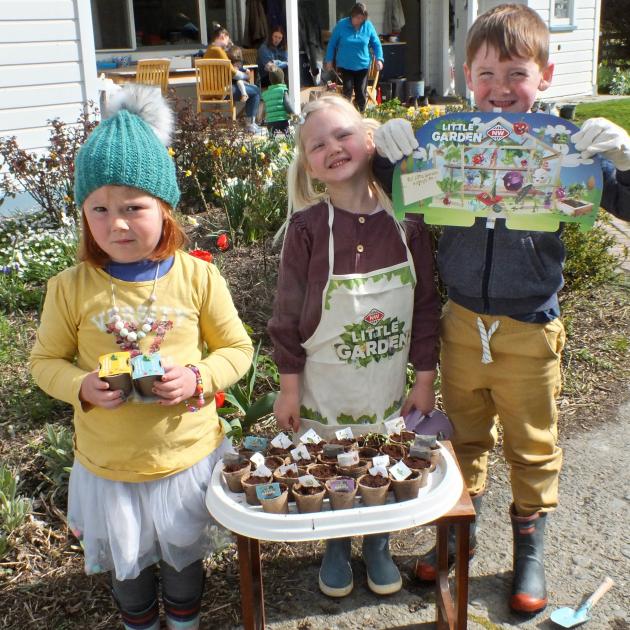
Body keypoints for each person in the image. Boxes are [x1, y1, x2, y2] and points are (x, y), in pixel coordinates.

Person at [372, 3, 630, 615]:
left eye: (516, 73)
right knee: (463, 439)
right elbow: (395, 182)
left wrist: (622, 159)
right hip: (462, 323)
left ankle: (530, 555)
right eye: (485, 74)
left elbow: (623, 200)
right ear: (467, 77)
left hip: (530, 327)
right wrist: (387, 146)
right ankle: (459, 534)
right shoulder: (448, 141)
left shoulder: (571, 145)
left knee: (531, 443)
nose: (500, 88)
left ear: (545, 73)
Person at [29, 85, 254, 630]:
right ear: (83, 213)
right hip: (110, 464)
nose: (118, 224)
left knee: (183, 558)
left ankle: (183, 620)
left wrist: (198, 375)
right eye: (99, 209)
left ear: (165, 207)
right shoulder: (70, 287)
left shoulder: (197, 275)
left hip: (184, 455)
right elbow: (44, 362)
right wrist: (81, 385)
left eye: (135, 207)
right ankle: (140, 621)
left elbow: (238, 349)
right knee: (125, 565)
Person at [268, 94, 440, 598]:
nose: (332, 148)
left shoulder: (408, 221)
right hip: (326, 393)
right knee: (333, 465)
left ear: (369, 140)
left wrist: (424, 378)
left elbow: (426, 306)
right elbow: (286, 319)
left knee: (383, 461)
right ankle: (337, 546)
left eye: (342, 135)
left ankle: (379, 544)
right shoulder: (305, 230)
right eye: (317, 145)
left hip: (385, 389)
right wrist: (288, 388)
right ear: (309, 166)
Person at [324, 2, 384, 112]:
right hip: (346, 65)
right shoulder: (341, 25)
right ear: (352, 15)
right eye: (357, 18)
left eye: (362, 18)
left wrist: (379, 59)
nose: (359, 21)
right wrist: (329, 60)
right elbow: (332, 43)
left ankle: (361, 116)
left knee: (361, 93)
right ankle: (346, 116)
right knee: (347, 92)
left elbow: (376, 44)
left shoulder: (368, 26)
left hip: (362, 66)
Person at [204, 24, 262, 133]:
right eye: (227, 38)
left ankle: (250, 123)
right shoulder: (219, 51)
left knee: (250, 89)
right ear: (222, 36)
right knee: (256, 91)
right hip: (223, 91)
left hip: (208, 91)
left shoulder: (208, 51)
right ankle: (250, 125)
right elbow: (233, 73)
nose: (228, 42)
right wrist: (246, 76)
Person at [261, 66, 295, 134]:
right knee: (288, 137)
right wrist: (292, 113)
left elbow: (264, 108)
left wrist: (263, 117)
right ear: (282, 79)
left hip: (270, 121)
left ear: (270, 80)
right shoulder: (282, 90)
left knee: (271, 139)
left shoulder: (266, 93)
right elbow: (287, 103)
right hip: (282, 120)